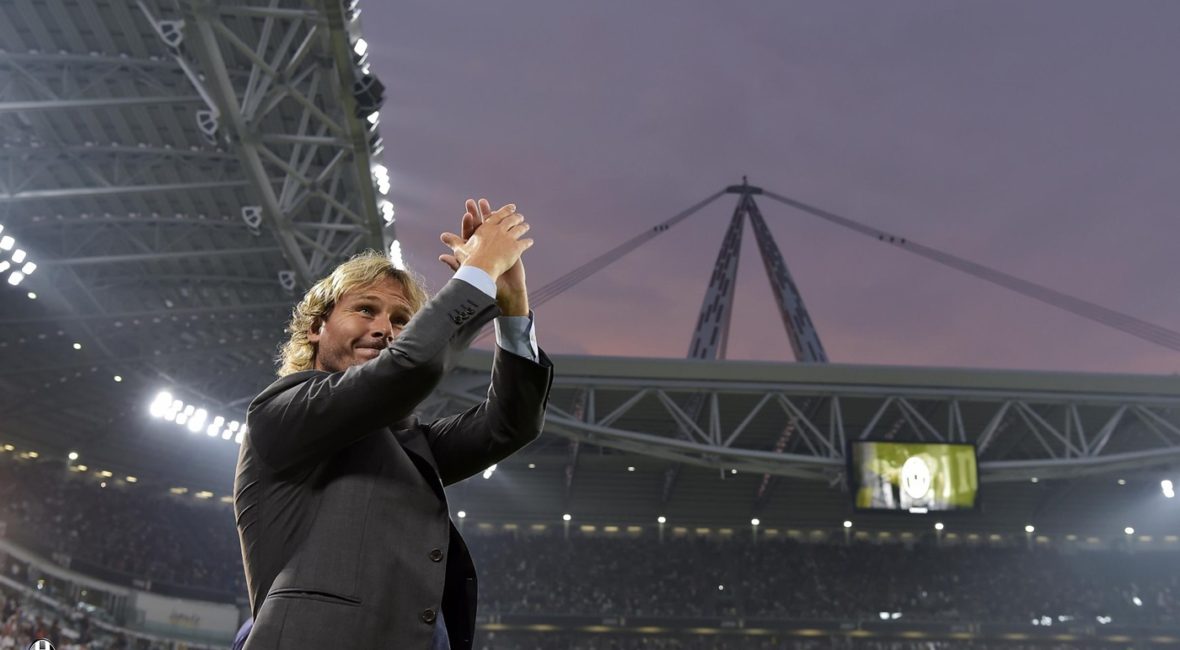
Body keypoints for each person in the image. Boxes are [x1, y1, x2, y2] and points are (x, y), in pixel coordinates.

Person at [234, 199, 552, 650]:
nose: (386, 328)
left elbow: (511, 424)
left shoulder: (410, 446)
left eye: (402, 320)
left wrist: (513, 307)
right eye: (365, 309)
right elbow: (409, 368)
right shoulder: (281, 412)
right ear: (315, 329)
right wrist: (477, 270)